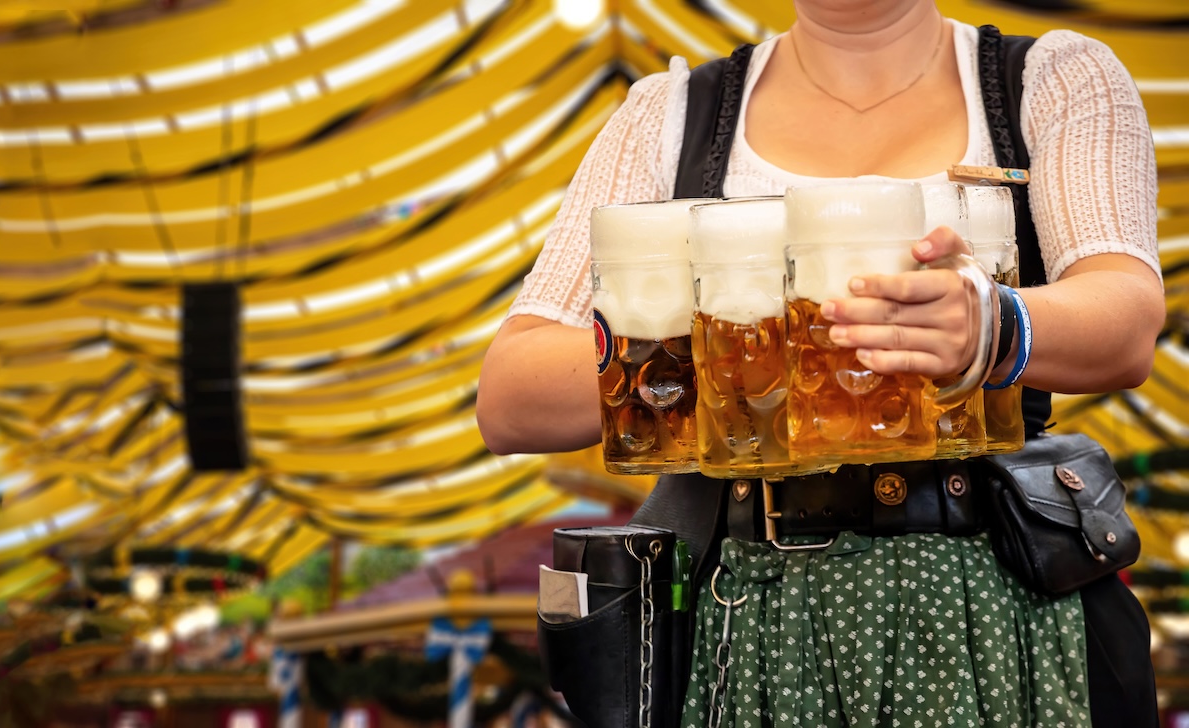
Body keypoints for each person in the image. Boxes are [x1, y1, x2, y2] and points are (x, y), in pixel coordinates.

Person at [476, 0, 1164, 725]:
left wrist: (994, 321)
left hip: (992, 606)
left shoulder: (1049, 77)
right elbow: (512, 395)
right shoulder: (670, 114)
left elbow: (1125, 322)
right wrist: (733, 356)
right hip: (742, 612)